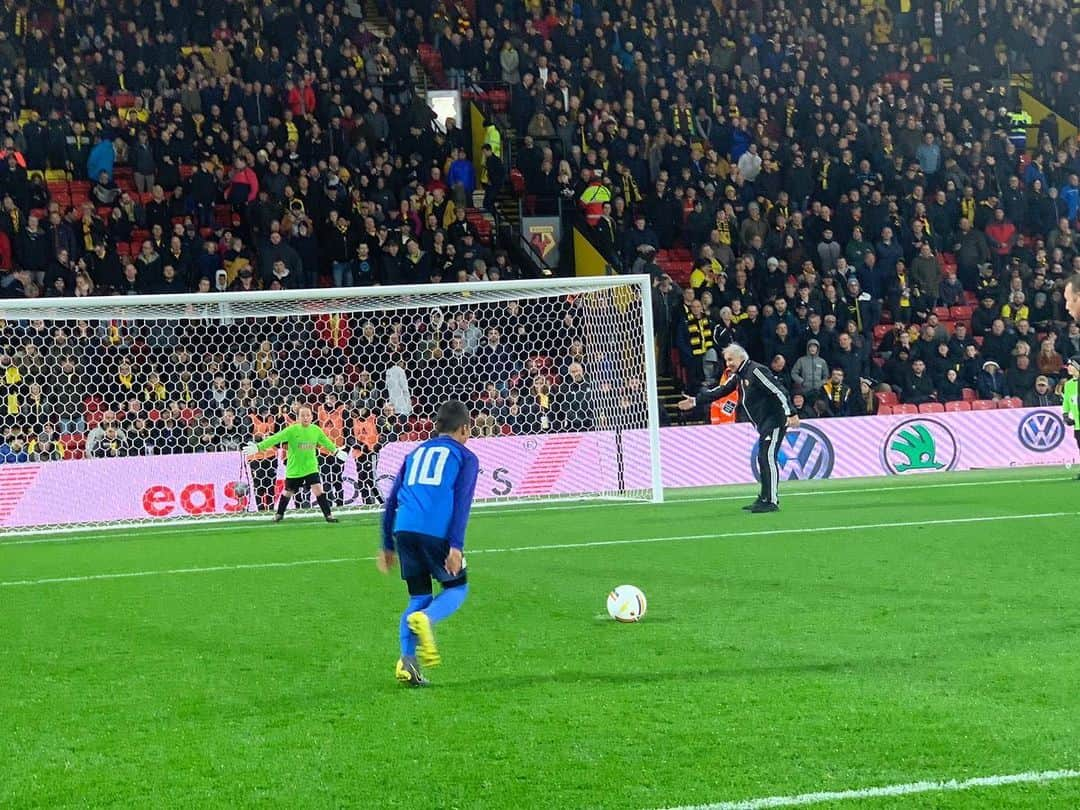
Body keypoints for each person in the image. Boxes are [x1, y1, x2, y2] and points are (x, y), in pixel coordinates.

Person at [378, 400, 479, 686]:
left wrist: (387, 544)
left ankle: (407, 664)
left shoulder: (415, 452)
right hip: (435, 532)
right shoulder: (465, 456)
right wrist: (456, 545)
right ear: (463, 429)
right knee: (457, 587)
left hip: (404, 530)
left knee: (417, 597)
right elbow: (462, 504)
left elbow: (392, 500)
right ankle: (428, 619)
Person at [677, 342, 798, 512]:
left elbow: (778, 390)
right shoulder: (740, 375)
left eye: (730, 360)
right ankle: (764, 498)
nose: (728, 364)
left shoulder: (755, 370)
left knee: (767, 457)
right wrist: (696, 401)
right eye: (726, 361)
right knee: (763, 458)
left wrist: (790, 413)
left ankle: (771, 500)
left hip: (775, 420)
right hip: (764, 423)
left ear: (741, 357)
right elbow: (720, 391)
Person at [243, 405, 348, 523]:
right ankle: (279, 514)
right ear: (298, 418)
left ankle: (328, 515)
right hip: (295, 468)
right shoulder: (292, 430)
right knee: (288, 492)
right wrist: (258, 447)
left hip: (310, 467)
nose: (305, 418)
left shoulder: (316, 430)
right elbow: (275, 438)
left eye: (308, 415)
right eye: (302, 415)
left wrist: (336, 451)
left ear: (312, 417)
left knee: (318, 490)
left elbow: (326, 442)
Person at [1063, 357, 1080, 478]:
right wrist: (1065, 414)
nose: (1068, 368)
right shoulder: (1068, 385)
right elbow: (1066, 401)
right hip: (1077, 424)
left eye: (1071, 365)